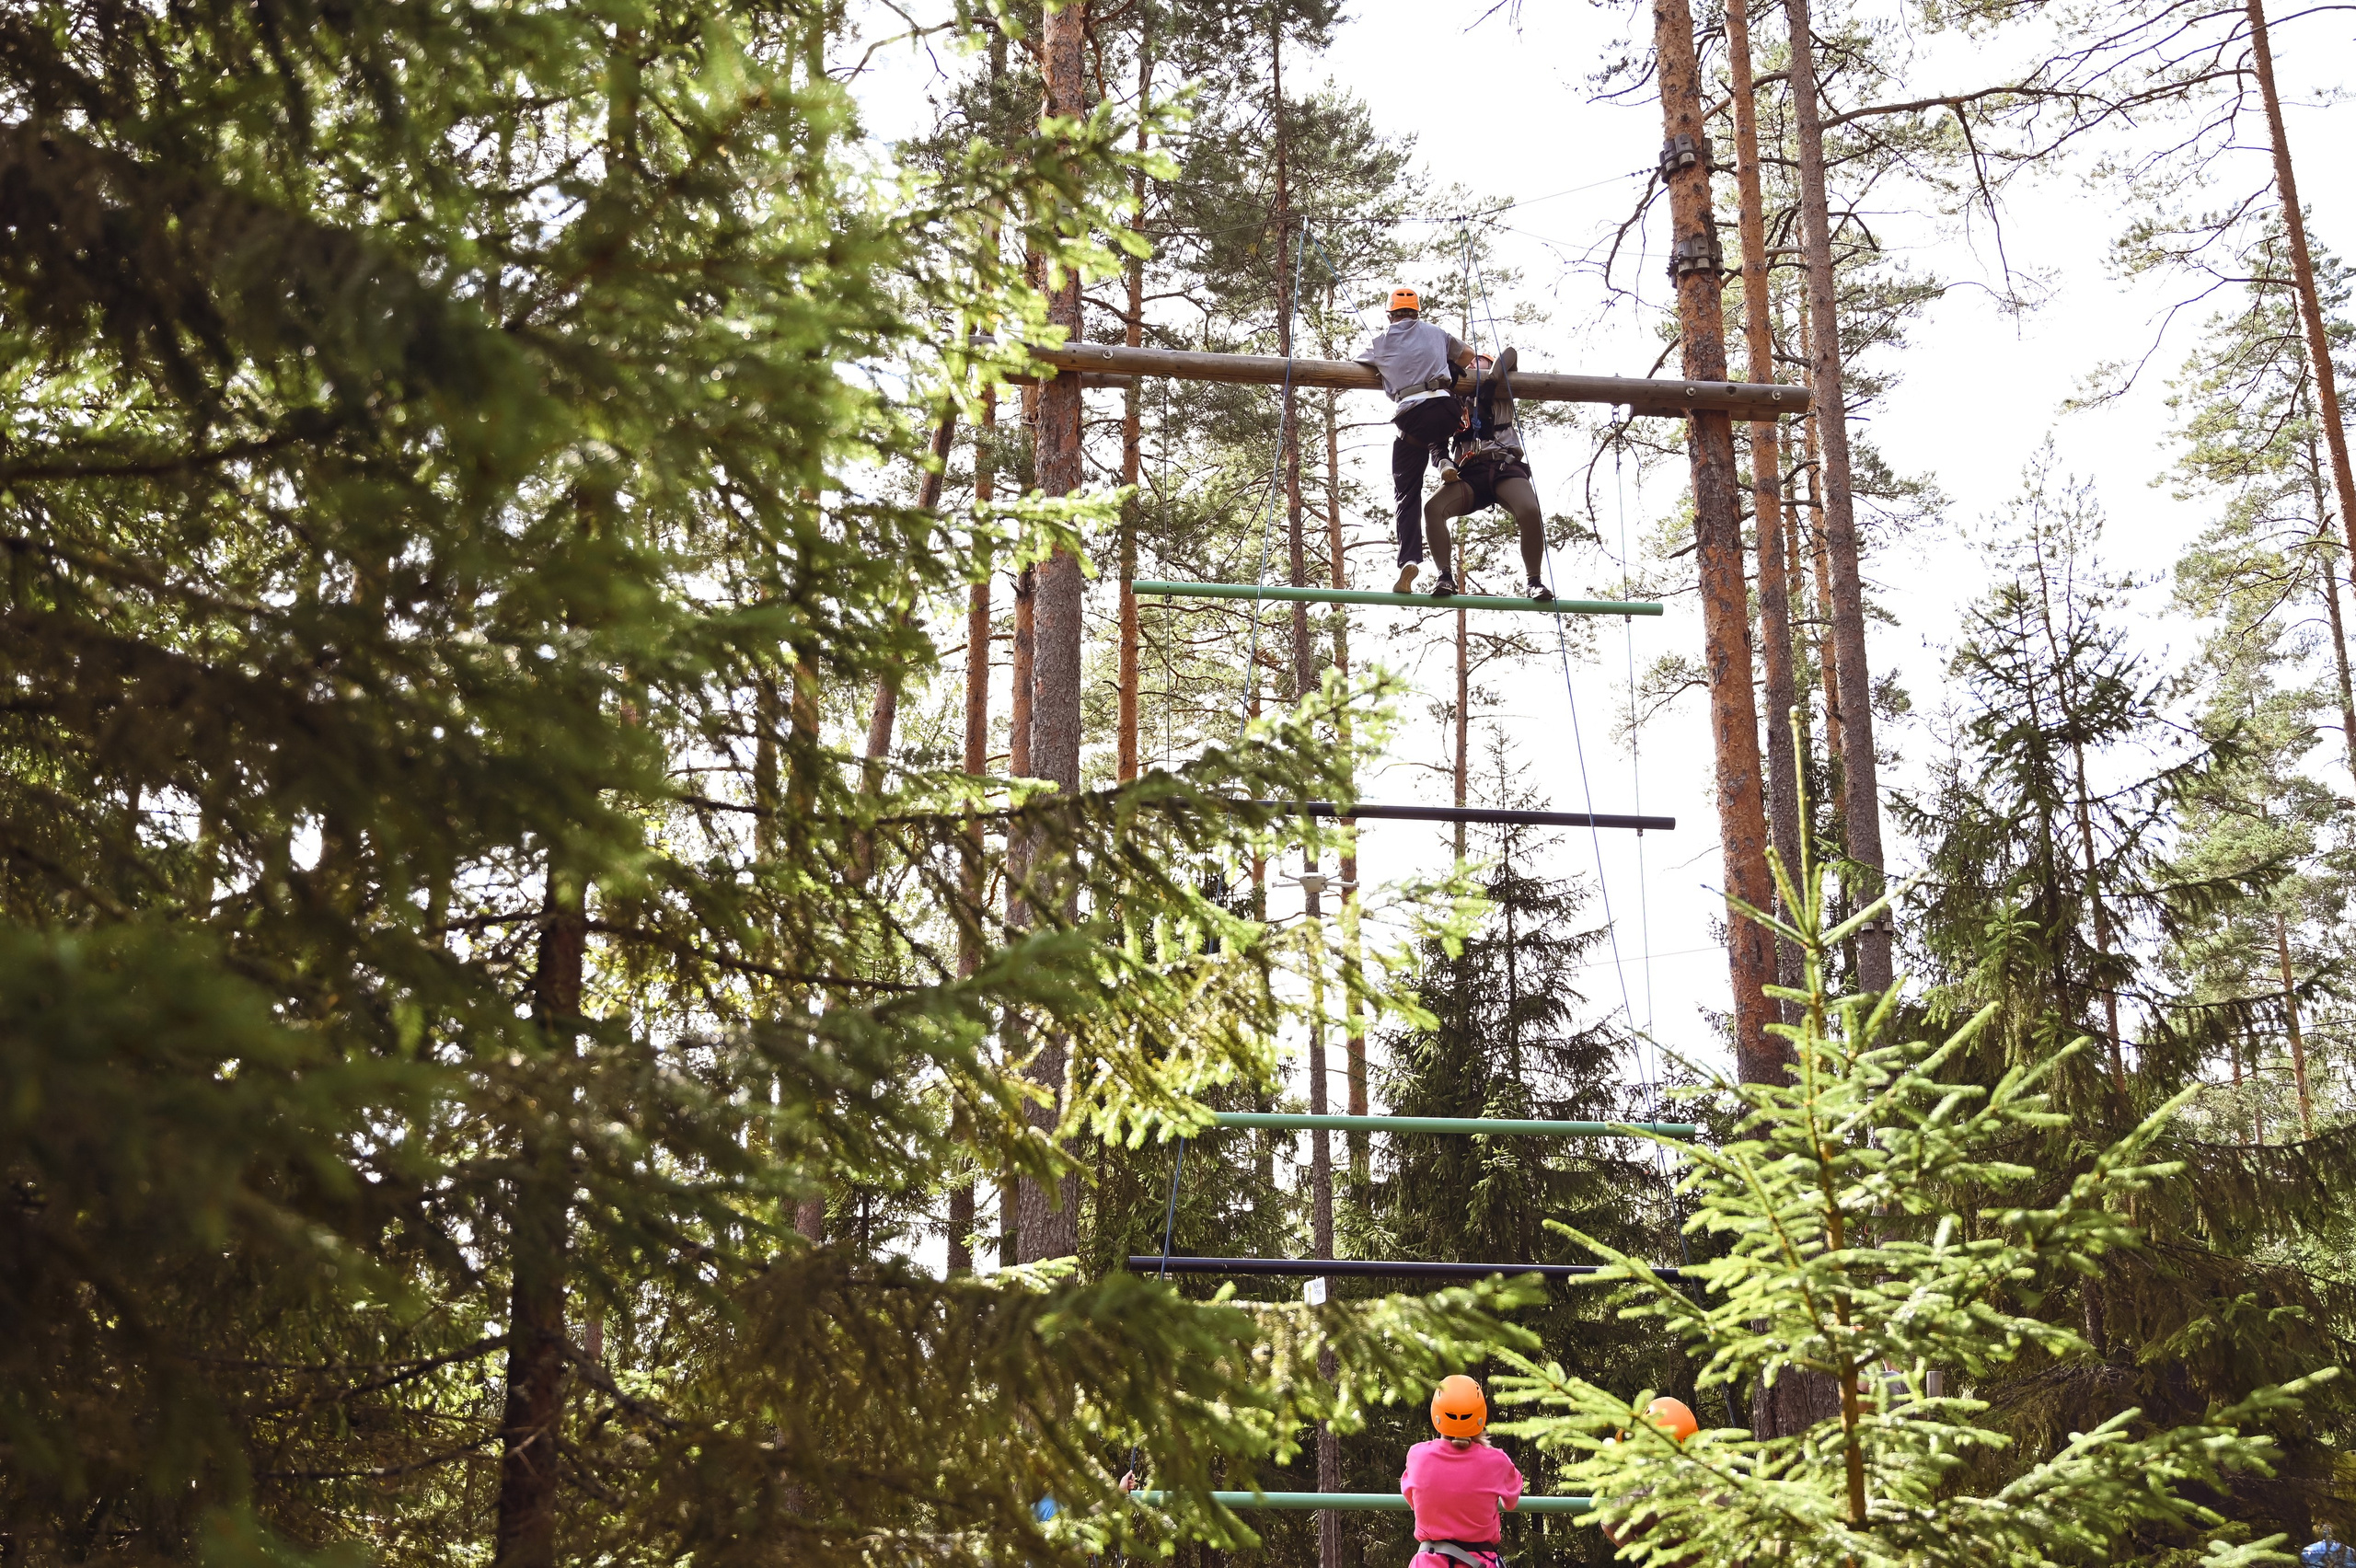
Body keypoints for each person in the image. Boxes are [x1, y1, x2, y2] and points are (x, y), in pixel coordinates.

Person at [1356, 287, 1472, 594]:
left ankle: (1409, 559)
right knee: (1435, 429)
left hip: (1413, 418)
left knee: (1407, 493)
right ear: (1417, 313)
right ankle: (1444, 460)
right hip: (1448, 409)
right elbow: (1469, 355)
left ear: (1391, 315)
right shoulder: (1438, 332)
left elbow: (1359, 362)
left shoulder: (1380, 343)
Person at [1423, 347, 1549, 601]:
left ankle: (1534, 580)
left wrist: (1491, 381)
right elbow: (1436, 442)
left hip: (1505, 467)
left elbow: (1511, 353)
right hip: (1470, 475)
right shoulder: (1453, 401)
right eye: (1468, 364)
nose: (1471, 365)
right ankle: (1445, 577)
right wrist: (1445, 464)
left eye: (1479, 361)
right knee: (1432, 509)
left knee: (1529, 510)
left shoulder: (1502, 387)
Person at [1401, 1375, 1524, 1568]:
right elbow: (1511, 1502)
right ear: (1480, 1415)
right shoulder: (1497, 1461)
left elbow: (1413, 1501)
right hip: (1480, 1562)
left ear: (1437, 1413)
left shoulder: (1417, 1456)